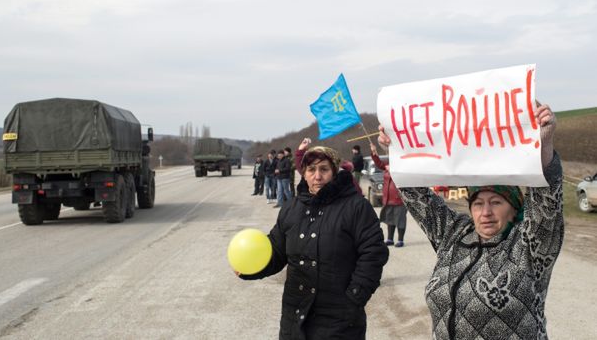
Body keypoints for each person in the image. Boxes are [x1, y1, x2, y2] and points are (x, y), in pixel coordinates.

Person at [376, 103, 563, 339]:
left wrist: (544, 143)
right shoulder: (453, 235)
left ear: (514, 209)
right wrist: (398, 148)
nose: (485, 212)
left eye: (496, 202)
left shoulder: (530, 246)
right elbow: (417, 197)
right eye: (478, 203)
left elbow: (547, 204)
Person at [239, 141, 389, 339]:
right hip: (295, 316)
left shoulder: (356, 207)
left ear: (335, 171)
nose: (317, 176)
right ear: (304, 173)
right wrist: (251, 268)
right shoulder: (292, 208)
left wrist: (354, 298)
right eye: (311, 170)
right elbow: (276, 251)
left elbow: (373, 254)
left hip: (340, 319)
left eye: (324, 169)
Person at [369, 143, 407, 247]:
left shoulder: (403, 165)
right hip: (388, 198)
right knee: (390, 219)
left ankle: (400, 240)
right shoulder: (387, 165)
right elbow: (379, 163)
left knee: (400, 220)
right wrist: (374, 151)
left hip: (399, 199)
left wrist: (394, 170)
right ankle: (390, 239)